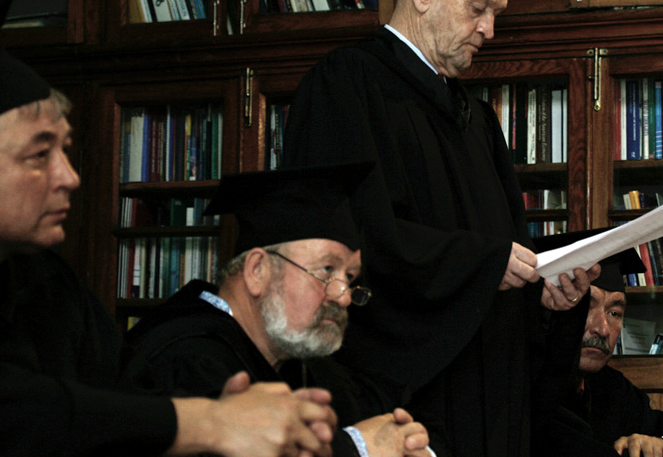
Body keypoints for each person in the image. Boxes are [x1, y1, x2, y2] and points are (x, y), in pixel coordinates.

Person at [282, 0, 599, 457]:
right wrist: (484, 263)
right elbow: (347, 241)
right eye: (479, 8)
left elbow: (504, 254)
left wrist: (544, 295)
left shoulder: (477, 121)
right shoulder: (347, 85)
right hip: (403, 399)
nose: (490, 30)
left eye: (497, 13)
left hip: (489, 395)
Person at [0, 0, 337, 457]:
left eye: (65, 150)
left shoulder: (50, 286)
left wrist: (231, 423)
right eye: (39, 154)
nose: (70, 177)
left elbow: (130, 403)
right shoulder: (189, 345)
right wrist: (207, 421)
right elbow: (2, 412)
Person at [120, 163, 435, 457]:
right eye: (327, 270)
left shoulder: (302, 363)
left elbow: (392, 414)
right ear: (257, 270)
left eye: (350, 278)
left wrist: (410, 442)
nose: (343, 297)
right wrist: (356, 449)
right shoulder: (184, 359)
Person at [533, 233, 663, 457]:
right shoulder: (528, 389)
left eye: (615, 313)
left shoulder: (612, 388)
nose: (603, 329)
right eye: (587, 307)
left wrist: (660, 441)